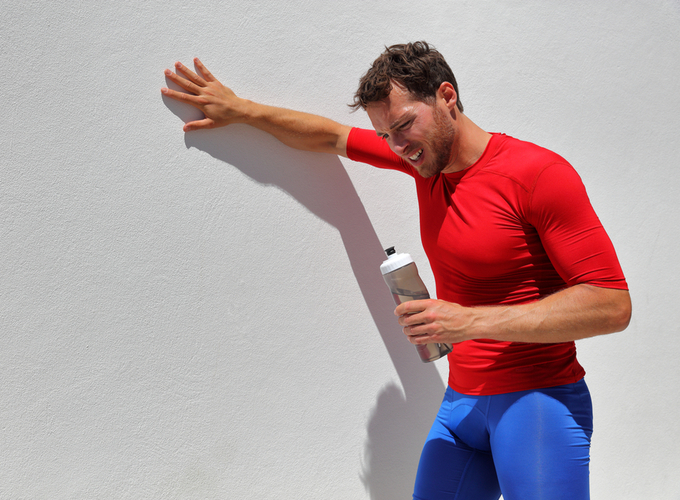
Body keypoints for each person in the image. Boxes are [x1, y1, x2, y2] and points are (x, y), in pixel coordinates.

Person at [161, 41, 631, 500]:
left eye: (405, 125)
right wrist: (240, 110)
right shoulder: (425, 163)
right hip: (461, 407)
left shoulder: (537, 174)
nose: (398, 146)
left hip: (538, 405)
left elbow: (611, 304)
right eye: (386, 135)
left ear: (447, 97)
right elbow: (328, 136)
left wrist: (469, 321)